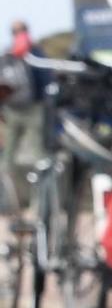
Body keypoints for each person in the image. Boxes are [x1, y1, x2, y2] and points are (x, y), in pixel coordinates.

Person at [1, 20, 44, 199]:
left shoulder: (8, 55)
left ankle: (14, 200)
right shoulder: (34, 53)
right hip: (29, 109)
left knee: (12, 157)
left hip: (16, 110)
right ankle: (35, 199)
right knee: (37, 156)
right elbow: (44, 81)